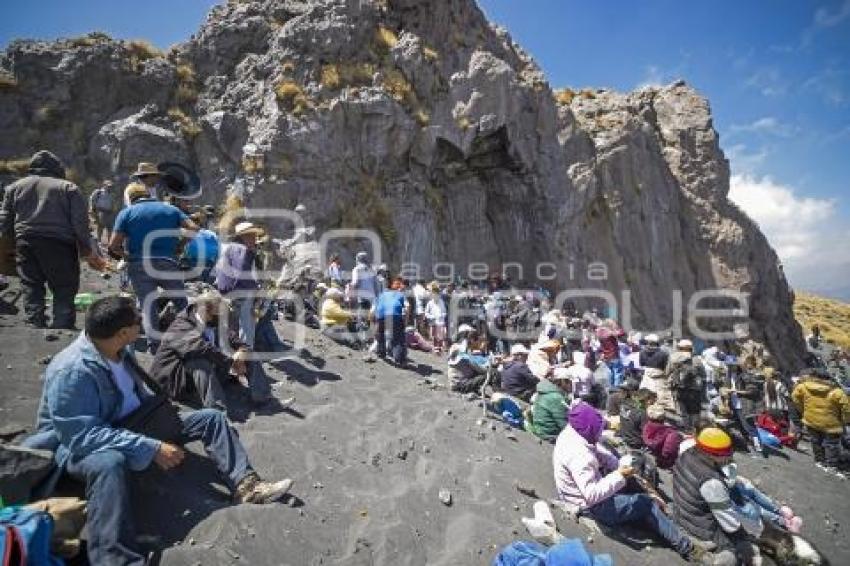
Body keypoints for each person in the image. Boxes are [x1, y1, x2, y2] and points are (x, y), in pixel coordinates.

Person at [21, 296, 293, 565]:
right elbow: (81, 436)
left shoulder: (119, 350)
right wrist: (150, 447)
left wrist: (163, 419)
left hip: (136, 423)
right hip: (81, 443)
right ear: (123, 333)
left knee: (211, 418)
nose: (145, 321)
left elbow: (138, 395)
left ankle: (247, 486)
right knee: (109, 463)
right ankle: (113, 558)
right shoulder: (72, 370)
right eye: (138, 319)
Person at [553, 403, 701, 562]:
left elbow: (595, 449)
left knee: (633, 482)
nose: (600, 433)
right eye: (598, 430)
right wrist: (620, 474)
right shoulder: (580, 456)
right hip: (589, 506)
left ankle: (659, 520)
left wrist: (616, 464)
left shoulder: (573, 433)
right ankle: (688, 549)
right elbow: (591, 495)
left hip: (580, 491)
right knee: (647, 503)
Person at [0, 150, 106, 328]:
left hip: (25, 241)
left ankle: (35, 320)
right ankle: (62, 323)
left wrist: (7, 248)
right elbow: (80, 223)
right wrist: (87, 250)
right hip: (59, 244)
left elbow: (5, 221)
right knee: (63, 285)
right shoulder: (68, 188)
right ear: (57, 168)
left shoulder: (14, 187)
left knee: (31, 283)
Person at [109, 183, 198, 351]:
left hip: (139, 265)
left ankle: (154, 345)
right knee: (181, 302)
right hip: (167, 262)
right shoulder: (171, 210)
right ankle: (191, 338)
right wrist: (180, 245)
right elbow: (194, 228)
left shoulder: (126, 213)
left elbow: (113, 246)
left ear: (130, 198)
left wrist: (128, 257)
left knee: (147, 304)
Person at [150, 290, 272, 409]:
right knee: (199, 361)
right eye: (218, 314)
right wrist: (232, 362)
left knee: (246, 354)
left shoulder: (213, 320)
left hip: (204, 377)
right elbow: (202, 348)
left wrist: (242, 352)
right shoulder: (181, 326)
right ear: (206, 311)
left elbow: (234, 339)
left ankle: (263, 397)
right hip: (177, 381)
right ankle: (217, 411)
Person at [672, 427, 765, 565]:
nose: (728, 457)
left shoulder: (687, 454)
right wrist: (744, 536)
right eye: (724, 454)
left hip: (681, 511)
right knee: (738, 550)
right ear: (711, 454)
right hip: (700, 525)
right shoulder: (711, 482)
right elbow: (729, 523)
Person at [791, 367, 850, 478]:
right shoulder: (837, 392)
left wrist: (803, 410)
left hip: (811, 419)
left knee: (815, 441)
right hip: (831, 423)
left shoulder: (803, 387)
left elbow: (795, 398)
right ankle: (831, 465)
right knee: (831, 445)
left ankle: (819, 461)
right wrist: (844, 420)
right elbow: (847, 409)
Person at [214, 222, 265, 349]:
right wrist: (256, 290)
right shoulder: (242, 250)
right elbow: (242, 273)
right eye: (253, 236)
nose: (255, 239)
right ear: (245, 236)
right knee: (246, 329)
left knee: (230, 328)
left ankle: (228, 358)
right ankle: (245, 360)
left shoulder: (230, 248)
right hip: (240, 293)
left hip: (227, 292)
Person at [667, 339, 706, 432]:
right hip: (694, 390)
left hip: (680, 389)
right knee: (694, 412)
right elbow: (703, 375)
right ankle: (696, 430)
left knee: (683, 411)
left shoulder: (673, 358)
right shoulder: (697, 360)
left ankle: (687, 430)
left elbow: (667, 372)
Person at [373, 276, 408, 365]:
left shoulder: (381, 295)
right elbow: (407, 308)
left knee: (380, 335)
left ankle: (381, 353)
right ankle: (399, 360)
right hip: (395, 315)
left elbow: (375, 310)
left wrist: (376, 323)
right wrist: (405, 322)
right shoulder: (400, 294)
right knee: (398, 338)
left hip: (381, 315)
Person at [528, 368, 571, 441]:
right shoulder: (556, 398)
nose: (571, 384)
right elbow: (564, 425)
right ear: (561, 381)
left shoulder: (545, 391)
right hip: (550, 435)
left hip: (541, 430)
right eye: (568, 381)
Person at [642, 404, 683, 469]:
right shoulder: (671, 433)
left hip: (655, 456)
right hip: (668, 463)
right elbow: (669, 452)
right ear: (663, 416)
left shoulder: (646, 427)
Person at [424, 281, 448, 353]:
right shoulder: (430, 303)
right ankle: (435, 348)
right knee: (433, 335)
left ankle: (440, 348)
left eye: (437, 294)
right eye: (434, 294)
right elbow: (426, 313)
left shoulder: (441, 302)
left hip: (440, 321)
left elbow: (444, 311)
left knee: (441, 336)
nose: (436, 295)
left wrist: (442, 315)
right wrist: (431, 317)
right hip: (433, 321)